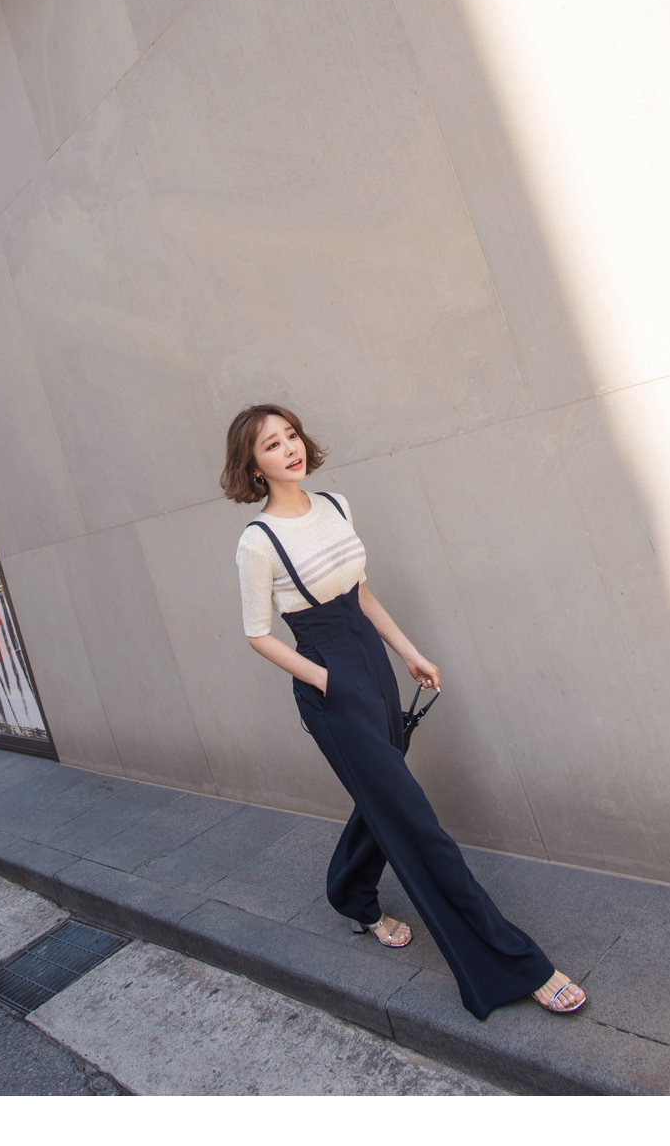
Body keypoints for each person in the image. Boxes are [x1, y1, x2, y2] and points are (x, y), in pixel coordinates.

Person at [224, 403, 586, 1023]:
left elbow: (361, 592)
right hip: (332, 687)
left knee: (384, 802)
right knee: (416, 823)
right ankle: (514, 963)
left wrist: (409, 653)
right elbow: (258, 634)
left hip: (376, 669)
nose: (290, 449)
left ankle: (351, 895)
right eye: (271, 445)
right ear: (253, 466)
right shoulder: (258, 542)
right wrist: (329, 681)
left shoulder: (335, 504)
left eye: (291, 435)